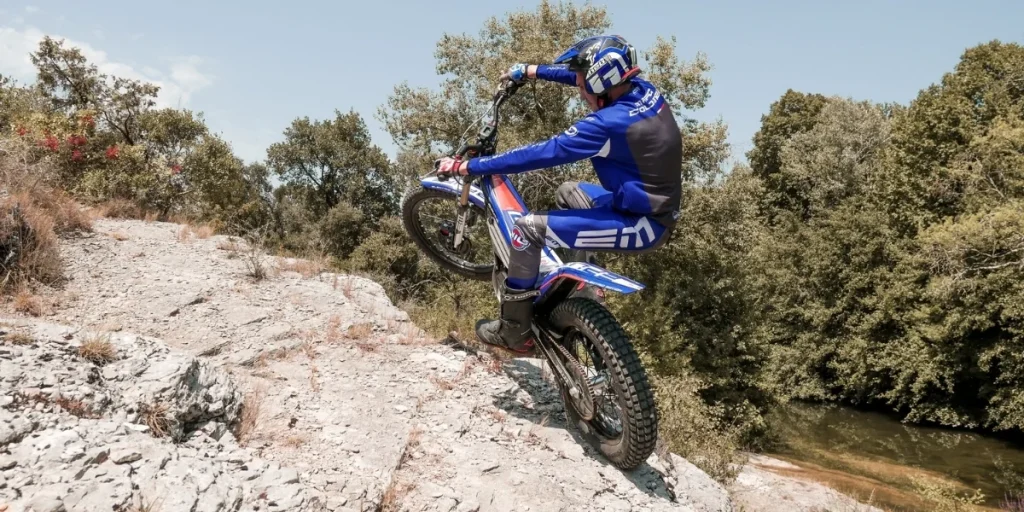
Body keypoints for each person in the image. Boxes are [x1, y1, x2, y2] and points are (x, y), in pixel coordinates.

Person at [435, 34, 683, 356]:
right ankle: (584, 288)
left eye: (582, 81)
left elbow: (541, 153)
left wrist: (469, 166)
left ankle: (514, 331)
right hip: (637, 204)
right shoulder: (644, 91)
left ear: (599, 82)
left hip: (644, 225)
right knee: (568, 192)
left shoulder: (606, 125)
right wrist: (531, 71)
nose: (579, 88)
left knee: (526, 230)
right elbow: (580, 78)